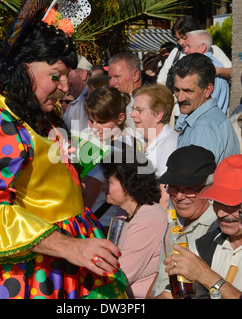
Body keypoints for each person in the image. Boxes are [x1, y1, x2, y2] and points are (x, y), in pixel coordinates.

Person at [0, 7, 125, 299]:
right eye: (55, 76)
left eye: (67, 76)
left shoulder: (30, 105)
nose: (65, 87)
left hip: (57, 257)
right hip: (20, 268)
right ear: (23, 68)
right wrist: (72, 246)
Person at [161, 154, 242, 299]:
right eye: (217, 202)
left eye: (231, 204)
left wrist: (206, 276)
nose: (221, 213)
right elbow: (168, 296)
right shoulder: (205, 244)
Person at [149, 145, 218, 298]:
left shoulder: (218, 228)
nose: (179, 196)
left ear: (209, 186)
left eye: (189, 188)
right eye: (173, 187)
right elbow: (161, 273)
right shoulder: (174, 217)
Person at [100, 146, 167, 299]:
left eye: (109, 181)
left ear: (128, 185)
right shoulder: (126, 212)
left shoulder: (148, 219)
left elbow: (119, 275)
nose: (104, 186)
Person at [82, 86, 137, 230]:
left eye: (101, 122)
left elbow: (86, 197)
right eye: (91, 121)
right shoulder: (134, 143)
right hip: (115, 223)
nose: (95, 127)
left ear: (120, 118)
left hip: (100, 225)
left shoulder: (107, 152)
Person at [173, 53, 239, 164]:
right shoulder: (206, 120)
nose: (180, 98)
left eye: (188, 91)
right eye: (176, 90)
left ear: (208, 90)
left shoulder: (203, 128)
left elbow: (195, 179)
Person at [130, 84, 178, 208]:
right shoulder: (140, 139)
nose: (132, 115)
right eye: (133, 109)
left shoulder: (169, 144)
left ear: (158, 115)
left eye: (138, 110)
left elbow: (164, 197)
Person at [157, 15, 231, 92]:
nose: (181, 43)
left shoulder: (212, 50)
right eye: (178, 39)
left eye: (184, 38)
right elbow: (161, 80)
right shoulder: (176, 52)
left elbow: (232, 71)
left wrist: (215, 71)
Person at [108, 52, 142, 131]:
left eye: (117, 77)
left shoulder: (145, 105)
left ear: (135, 75)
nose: (111, 83)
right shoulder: (116, 102)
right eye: (109, 78)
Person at [63, 55, 92, 131]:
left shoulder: (92, 101)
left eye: (68, 76)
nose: (65, 81)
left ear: (83, 74)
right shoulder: (75, 103)